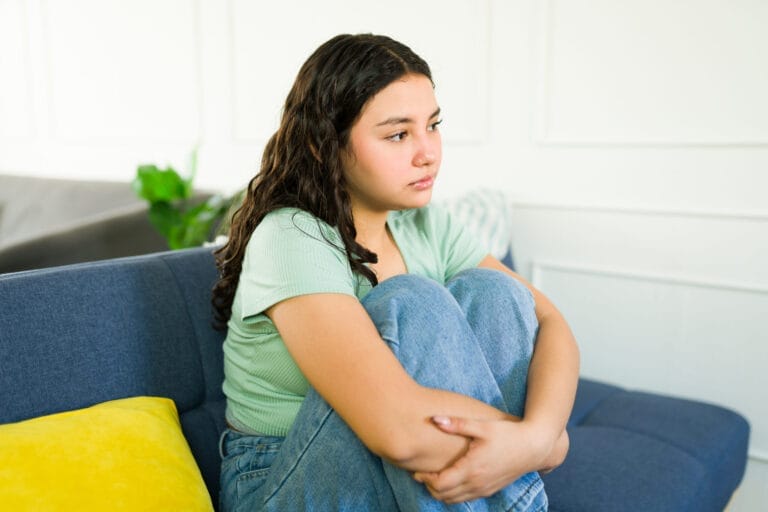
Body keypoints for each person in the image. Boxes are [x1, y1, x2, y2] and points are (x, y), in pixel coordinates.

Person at [212, 33, 579, 511]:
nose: (428, 153)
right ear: (324, 145)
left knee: (496, 292)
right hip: (278, 477)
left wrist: (540, 434)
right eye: (398, 135)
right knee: (411, 300)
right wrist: (536, 447)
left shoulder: (427, 225)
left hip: (409, 458)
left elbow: (549, 319)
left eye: (433, 125)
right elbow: (400, 432)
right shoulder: (291, 236)